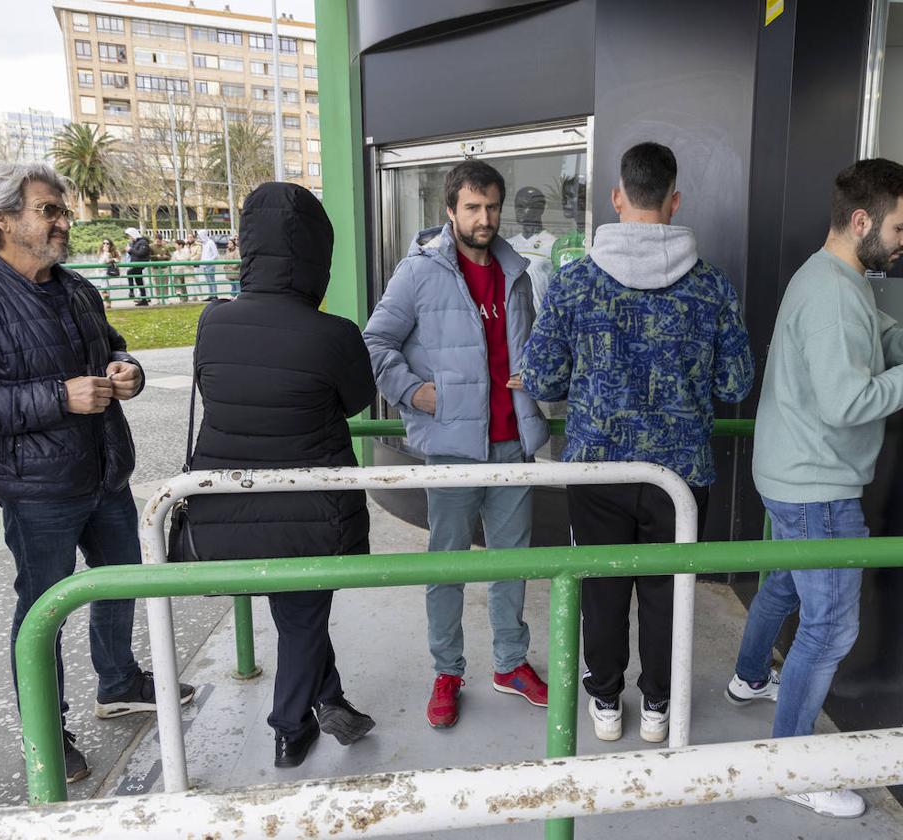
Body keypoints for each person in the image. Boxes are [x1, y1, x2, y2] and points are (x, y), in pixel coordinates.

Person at [0, 163, 194, 786]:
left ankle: (119, 681)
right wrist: (57, 398)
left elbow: (115, 345)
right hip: (36, 489)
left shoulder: (74, 288)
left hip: (105, 474)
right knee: (43, 607)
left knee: (119, 584)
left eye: (61, 210)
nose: (64, 221)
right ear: (2, 219)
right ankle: (46, 724)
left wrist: (127, 371)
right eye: (49, 210)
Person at [724, 158, 903, 819]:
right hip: (817, 486)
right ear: (863, 220)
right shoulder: (835, 290)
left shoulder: (835, 278)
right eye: (901, 228)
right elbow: (850, 403)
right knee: (830, 627)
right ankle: (790, 767)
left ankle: (749, 677)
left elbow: (883, 338)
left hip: (791, 474)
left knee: (783, 583)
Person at [520, 142, 754, 743]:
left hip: (597, 470)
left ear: (617, 197)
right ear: (675, 201)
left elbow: (542, 378)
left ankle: (604, 702)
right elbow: (736, 382)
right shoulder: (713, 287)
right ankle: (656, 707)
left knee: (600, 587)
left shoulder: (573, 284)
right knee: (667, 592)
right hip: (680, 477)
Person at [187, 182, 376, 768]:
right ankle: (290, 729)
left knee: (296, 611)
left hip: (223, 510)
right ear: (320, 255)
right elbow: (357, 401)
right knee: (301, 616)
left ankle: (332, 697)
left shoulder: (212, 323)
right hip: (310, 513)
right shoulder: (335, 334)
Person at [363, 159, 551, 729]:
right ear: (450, 211)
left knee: (512, 562)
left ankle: (510, 663)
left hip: (511, 441)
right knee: (447, 565)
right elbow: (375, 343)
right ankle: (447, 671)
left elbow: (529, 342)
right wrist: (414, 393)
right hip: (451, 445)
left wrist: (537, 374)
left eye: (493, 206)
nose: (485, 218)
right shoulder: (418, 272)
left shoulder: (517, 271)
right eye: (473, 207)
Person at [504, 186, 555, 313]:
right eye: (517, 206)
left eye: (524, 206)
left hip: (541, 321)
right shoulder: (507, 245)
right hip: (513, 322)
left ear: (539, 209)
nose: (519, 211)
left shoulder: (553, 244)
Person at [124, 227, 151, 305]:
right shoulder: (135, 243)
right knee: (139, 282)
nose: (129, 238)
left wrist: (130, 250)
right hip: (136, 264)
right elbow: (135, 254)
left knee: (130, 273)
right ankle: (144, 299)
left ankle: (132, 291)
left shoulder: (143, 242)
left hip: (140, 265)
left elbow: (141, 253)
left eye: (130, 236)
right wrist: (129, 251)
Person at [96, 238, 119, 308]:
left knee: (104, 288)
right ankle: (107, 302)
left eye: (107, 243)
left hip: (105, 272)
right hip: (100, 272)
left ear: (110, 245)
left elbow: (108, 261)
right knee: (105, 287)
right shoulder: (101, 252)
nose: (105, 245)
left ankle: (107, 303)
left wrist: (108, 254)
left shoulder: (108, 253)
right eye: (104, 243)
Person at [198, 230, 220, 297]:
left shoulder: (210, 242)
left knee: (211, 280)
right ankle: (211, 295)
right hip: (204, 265)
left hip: (210, 265)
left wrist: (209, 261)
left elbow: (215, 254)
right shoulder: (204, 244)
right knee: (208, 281)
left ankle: (214, 295)